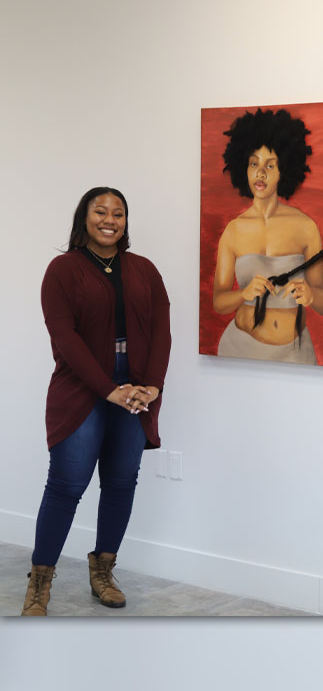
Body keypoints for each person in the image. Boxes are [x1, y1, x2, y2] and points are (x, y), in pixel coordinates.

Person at [22, 188, 171, 616]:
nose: (110, 219)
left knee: (122, 483)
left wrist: (153, 386)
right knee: (67, 486)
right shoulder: (63, 270)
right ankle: (40, 583)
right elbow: (64, 338)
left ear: (126, 221)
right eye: (100, 212)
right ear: (83, 218)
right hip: (83, 389)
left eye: (118, 213)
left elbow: (162, 330)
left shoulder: (144, 270)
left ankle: (103, 572)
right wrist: (109, 389)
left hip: (136, 390)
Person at [213, 108, 323, 364]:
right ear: (243, 167)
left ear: (284, 170)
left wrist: (310, 295)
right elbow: (219, 302)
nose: (261, 173)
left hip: (296, 353)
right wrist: (243, 295)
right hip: (238, 349)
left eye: (270, 165)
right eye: (254, 163)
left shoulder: (305, 226)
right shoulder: (233, 230)